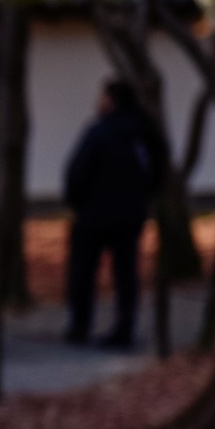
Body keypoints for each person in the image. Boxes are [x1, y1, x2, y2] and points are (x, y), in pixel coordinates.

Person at [63, 79, 166, 349]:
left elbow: (77, 172)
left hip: (94, 214)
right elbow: (160, 169)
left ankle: (80, 324)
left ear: (111, 100)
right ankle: (124, 326)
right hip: (130, 213)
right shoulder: (144, 131)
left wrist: (77, 202)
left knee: (84, 270)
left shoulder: (100, 132)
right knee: (126, 271)